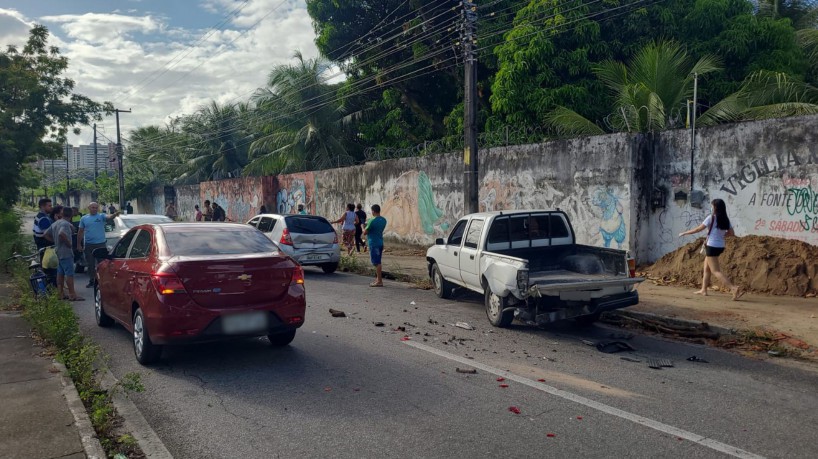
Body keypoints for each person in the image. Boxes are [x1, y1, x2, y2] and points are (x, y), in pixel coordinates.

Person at [678, 198, 745, 300]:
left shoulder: (711, 218)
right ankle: (703, 290)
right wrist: (720, 236)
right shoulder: (725, 219)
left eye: (712, 206)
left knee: (715, 271)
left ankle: (733, 288)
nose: (711, 207)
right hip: (720, 246)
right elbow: (731, 233)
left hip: (711, 246)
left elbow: (698, 229)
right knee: (706, 268)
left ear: (715, 207)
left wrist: (685, 233)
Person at [78, 202, 120, 288]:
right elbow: (80, 231)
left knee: (102, 264)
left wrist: (114, 214)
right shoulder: (84, 218)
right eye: (93, 207)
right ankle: (92, 280)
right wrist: (78, 244)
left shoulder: (101, 216)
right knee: (90, 264)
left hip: (100, 244)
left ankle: (103, 280)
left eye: (96, 208)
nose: (94, 209)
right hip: (89, 244)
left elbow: (109, 217)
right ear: (89, 208)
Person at [49, 207, 83, 301]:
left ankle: (60, 294)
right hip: (66, 252)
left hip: (58, 251)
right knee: (69, 274)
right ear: (71, 214)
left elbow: (45, 234)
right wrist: (69, 243)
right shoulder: (65, 224)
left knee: (60, 273)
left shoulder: (56, 223)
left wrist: (55, 241)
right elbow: (61, 234)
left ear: (62, 214)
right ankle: (72, 294)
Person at [363, 204, 388, 287]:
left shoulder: (372, 220)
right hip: (380, 242)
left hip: (373, 243)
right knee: (378, 261)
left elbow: (365, 232)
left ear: (373, 211)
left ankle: (379, 281)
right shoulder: (384, 220)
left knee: (376, 263)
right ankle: (378, 279)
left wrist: (363, 227)